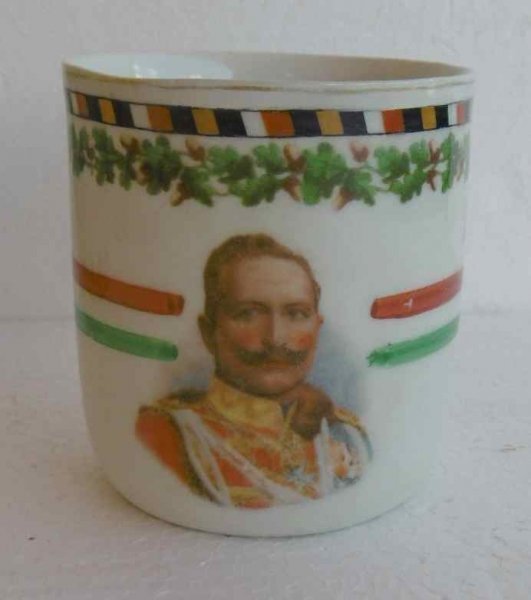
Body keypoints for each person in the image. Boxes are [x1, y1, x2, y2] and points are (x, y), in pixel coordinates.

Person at [136, 234, 370, 509]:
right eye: (249, 313)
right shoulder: (172, 433)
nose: (275, 338)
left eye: (296, 314)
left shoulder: (347, 434)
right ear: (209, 332)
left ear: (317, 329)